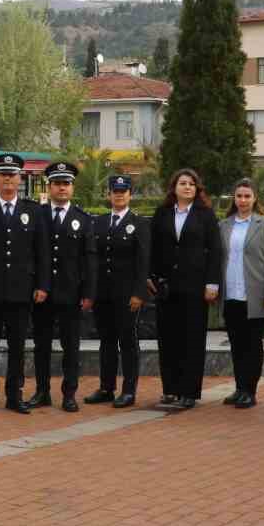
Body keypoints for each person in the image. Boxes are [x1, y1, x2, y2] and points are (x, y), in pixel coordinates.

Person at [0, 153, 50, 414]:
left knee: (17, 347)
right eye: (3, 175)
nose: (8, 180)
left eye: (12, 175)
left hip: (21, 291)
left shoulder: (33, 211)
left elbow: (42, 252)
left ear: (19, 179)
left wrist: (42, 285)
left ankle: (14, 396)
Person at [149, 168, 221, 410]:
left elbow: (215, 250)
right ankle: (170, 389)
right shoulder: (162, 213)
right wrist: (150, 276)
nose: (187, 187)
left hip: (195, 286)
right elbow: (152, 247)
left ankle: (189, 391)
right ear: (174, 187)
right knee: (168, 339)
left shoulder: (205, 214)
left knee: (192, 339)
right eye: (183, 183)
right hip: (166, 287)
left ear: (197, 188)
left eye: (191, 183)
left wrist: (212, 283)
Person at [27, 160, 96, 412]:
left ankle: (69, 394)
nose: (62, 188)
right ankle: (42, 392)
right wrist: (35, 286)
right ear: (49, 187)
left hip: (71, 294)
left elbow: (89, 259)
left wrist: (88, 293)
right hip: (42, 293)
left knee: (71, 348)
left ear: (72, 187)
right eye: (57, 183)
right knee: (41, 346)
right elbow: (30, 254)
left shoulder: (83, 219)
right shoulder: (37, 215)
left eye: (66, 183)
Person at [85, 174, 151, 408]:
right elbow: (93, 259)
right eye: (115, 191)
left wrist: (139, 293)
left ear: (130, 195)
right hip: (103, 294)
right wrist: (91, 292)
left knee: (128, 341)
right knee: (107, 341)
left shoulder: (139, 223)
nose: (119, 195)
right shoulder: (99, 222)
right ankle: (106, 388)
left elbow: (143, 262)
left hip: (127, 295)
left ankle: (129, 390)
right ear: (109, 194)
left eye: (123, 192)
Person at [217, 179, 264, 409]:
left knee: (252, 345)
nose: (243, 200)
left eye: (247, 196)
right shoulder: (223, 225)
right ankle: (239, 388)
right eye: (239, 196)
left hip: (255, 295)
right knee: (237, 345)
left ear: (255, 199)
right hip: (231, 295)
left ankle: (249, 391)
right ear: (233, 199)